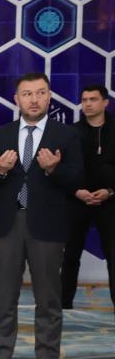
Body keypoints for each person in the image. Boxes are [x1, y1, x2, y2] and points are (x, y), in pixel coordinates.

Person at [0, 73, 82, 359]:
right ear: (16, 99)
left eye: (40, 93)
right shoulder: (1, 134)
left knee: (48, 296)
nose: (34, 99)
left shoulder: (66, 135)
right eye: (27, 94)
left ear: (49, 97)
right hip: (7, 224)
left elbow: (76, 179)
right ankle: (0, 355)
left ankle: (47, 358)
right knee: (3, 295)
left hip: (47, 225)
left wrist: (54, 169)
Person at [61, 85, 115, 312]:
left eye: (93, 99)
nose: (88, 104)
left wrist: (110, 191)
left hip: (110, 200)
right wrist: (76, 191)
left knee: (113, 254)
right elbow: (62, 168)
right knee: (70, 255)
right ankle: (64, 304)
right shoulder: (71, 132)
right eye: (84, 100)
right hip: (77, 200)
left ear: (105, 102)